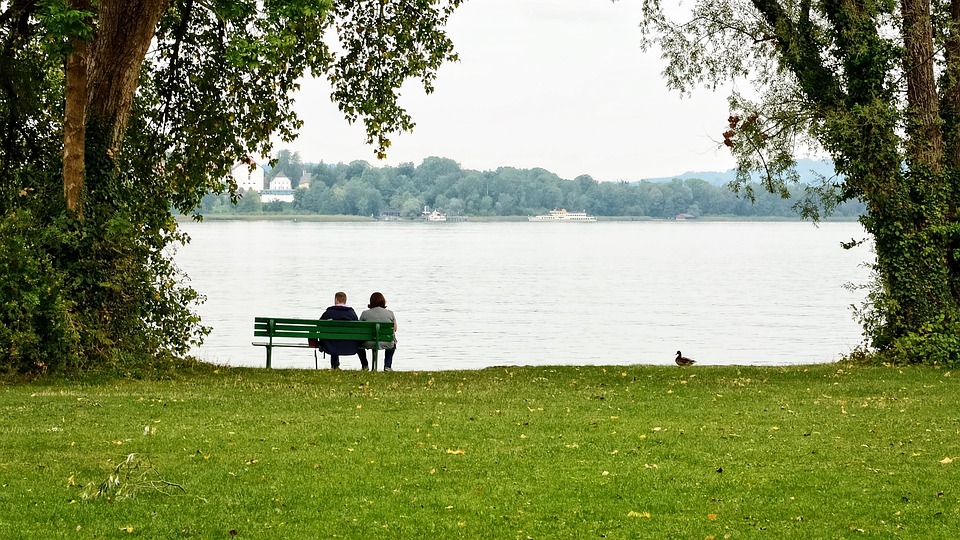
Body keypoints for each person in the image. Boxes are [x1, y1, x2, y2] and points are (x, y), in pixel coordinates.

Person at [319, 291, 361, 370]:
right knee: (335, 337)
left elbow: (319, 324)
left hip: (331, 344)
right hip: (350, 344)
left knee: (333, 336)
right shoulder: (351, 313)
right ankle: (365, 365)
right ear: (345, 300)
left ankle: (334, 365)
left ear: (336, 300)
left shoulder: (329, 312)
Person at [357, 292, 398, 371]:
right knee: (393, 341)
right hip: (386, 342)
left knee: (358, 344)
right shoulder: (390, 313)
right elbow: (395, 329)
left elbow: (360, 329)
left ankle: (365, 365)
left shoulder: (365, 313)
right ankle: (387, 366)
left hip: (368, 342)